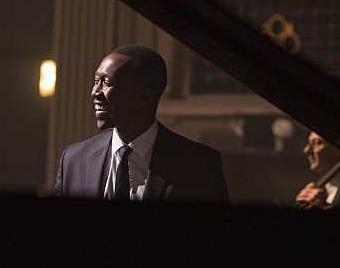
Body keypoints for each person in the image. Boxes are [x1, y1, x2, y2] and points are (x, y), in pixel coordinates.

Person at [54, 44, 229, 204]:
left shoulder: (199, 166)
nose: (95, 92)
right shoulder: (73, 159)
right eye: (96, 81)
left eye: (107, 83)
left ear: (145, 98)